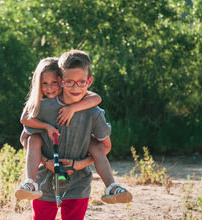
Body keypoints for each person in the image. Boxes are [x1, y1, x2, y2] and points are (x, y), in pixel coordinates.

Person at [24, 50, 132, 220]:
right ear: (61, 81)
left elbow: (105, 146)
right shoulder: (45, 107)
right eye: (70, 82)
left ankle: (112, 187)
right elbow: (27, 138)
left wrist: (81, 164)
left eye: (81, 82)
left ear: (89, 81)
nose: (76, 87)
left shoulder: (93, 112)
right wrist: (46, 162)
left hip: (78, 181)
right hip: (45, 180)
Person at [15, 56, 131, 205]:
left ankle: (111, 186)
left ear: (60, 81)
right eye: (45, 83)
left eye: (54, 83)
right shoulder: (41, 105)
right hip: (45, 165)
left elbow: (96, 98)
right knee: (33, 139)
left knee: (95, 145)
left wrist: (73, 108)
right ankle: (30, 183)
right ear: (63, 81)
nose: (50, 88)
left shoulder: (86, 102)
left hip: (78, 173)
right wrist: (46, 130)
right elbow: (25, 126)